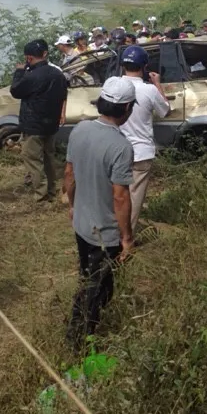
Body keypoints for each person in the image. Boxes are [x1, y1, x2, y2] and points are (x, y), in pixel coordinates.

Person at [64, 76, 136, 349]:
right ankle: (78, 342)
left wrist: (73, 206)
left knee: (91, 279)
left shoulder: (80, 129)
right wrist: (127, 238)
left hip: (82, 225)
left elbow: (69, 174)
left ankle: (85, 329)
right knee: (94, 289)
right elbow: (120, 196)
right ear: (127, 108)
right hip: (104, 234)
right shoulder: (121, 147)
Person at [119, 46, 171, 233]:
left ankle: (109, 232)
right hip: (141, 153)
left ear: (123, 65)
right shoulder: (149, 90)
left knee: (115, 193)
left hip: (116, 150)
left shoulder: (112, 84)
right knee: (134, 197)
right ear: (145, 66)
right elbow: (165, 110)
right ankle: (126, 236)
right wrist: (158, 83)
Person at [10, 39, 68, 202]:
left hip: (33, 125)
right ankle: (51, 190)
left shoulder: (31, 76)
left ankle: (41, 195)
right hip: (51, 124)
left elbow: (15, 90)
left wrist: (19, 72)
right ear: (45, 53)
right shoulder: (57, 74)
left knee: (33, 159)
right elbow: (64, 94)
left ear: (28, 58)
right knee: (49, 157)